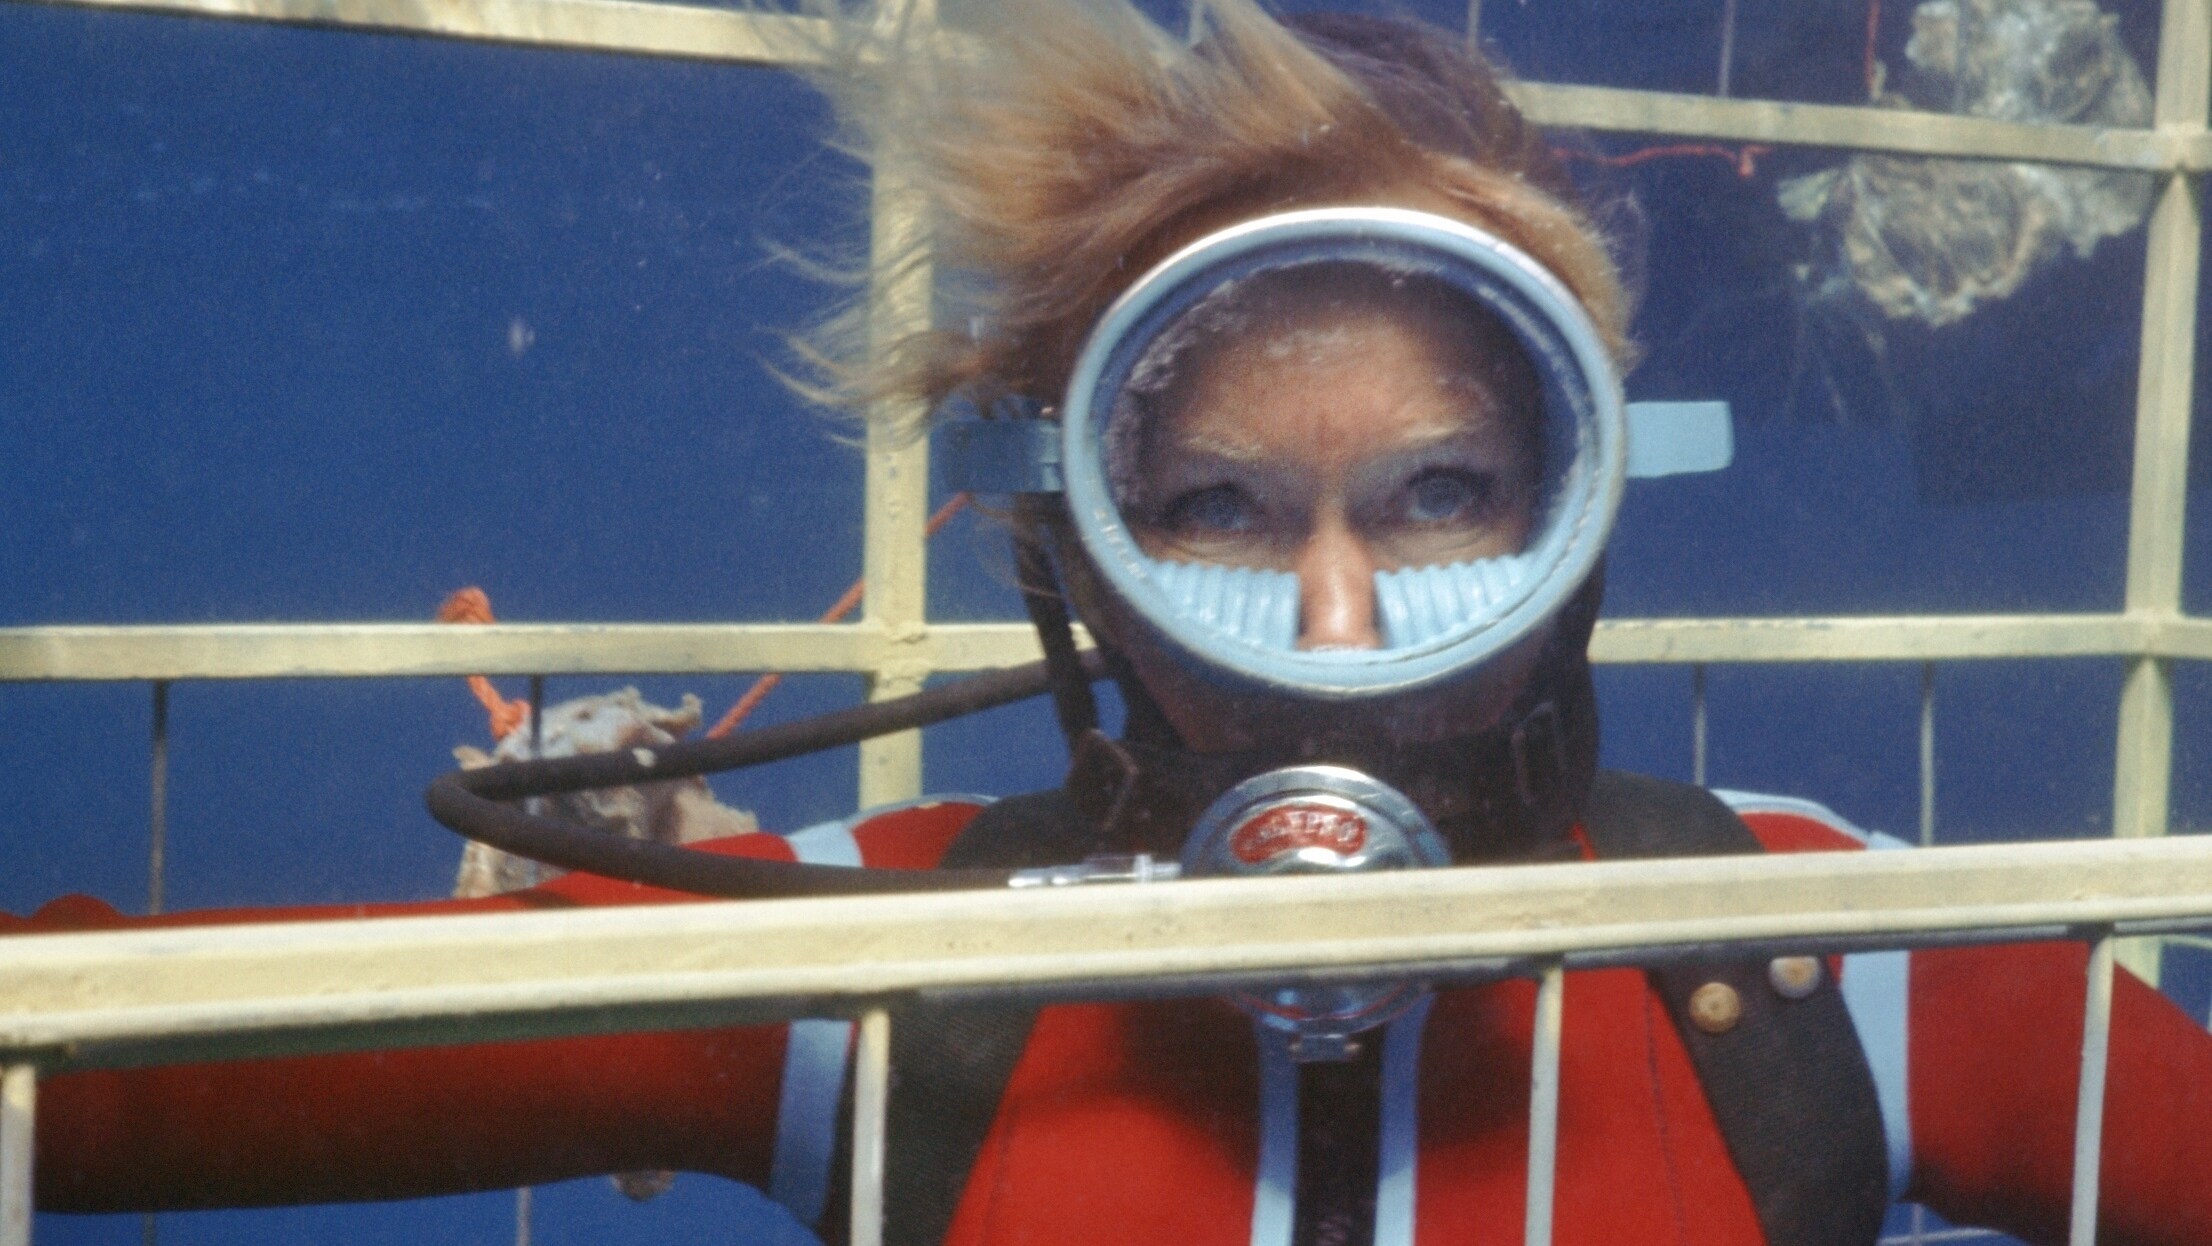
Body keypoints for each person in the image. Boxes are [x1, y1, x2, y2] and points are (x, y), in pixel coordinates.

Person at [13, 2, 2212, 1244]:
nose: (1336, 622)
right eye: (1219, 510)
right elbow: (101, 1074)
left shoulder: (1829, 963)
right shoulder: (876, 974)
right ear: (1079, 544)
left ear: (1568, 511)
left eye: (1438, 491)